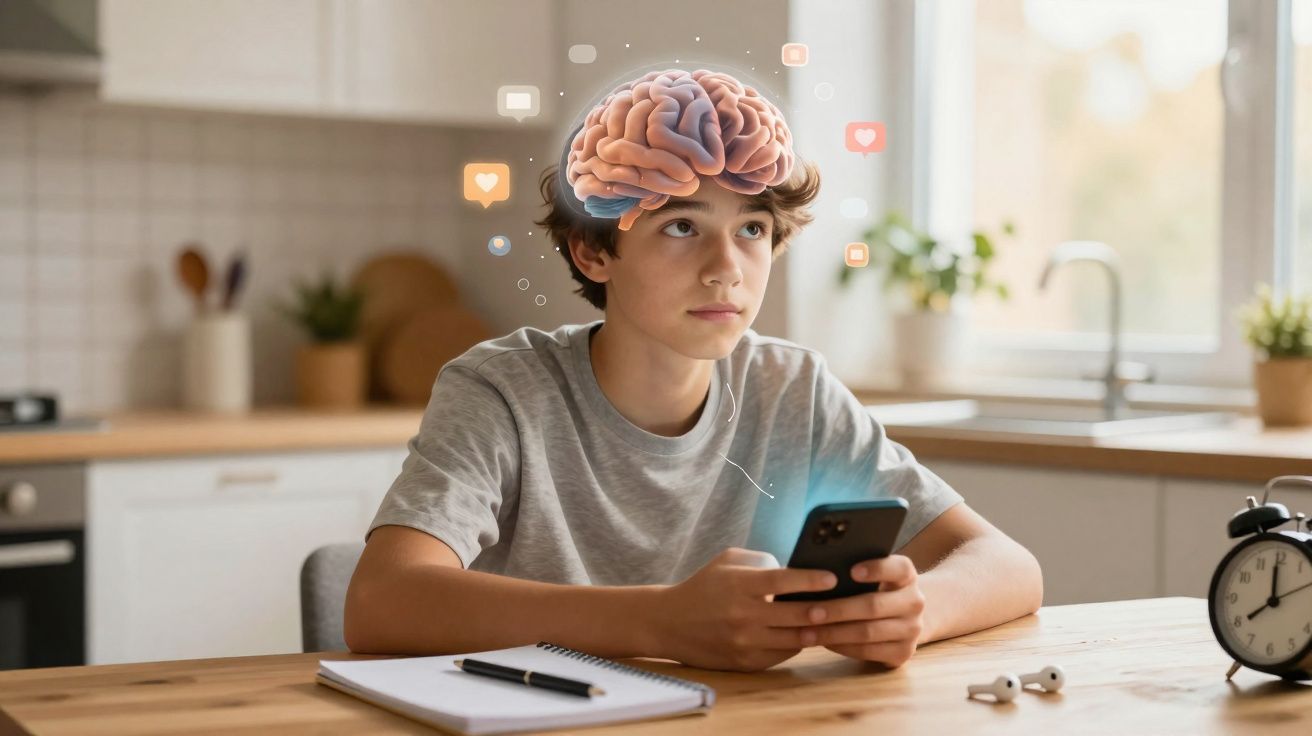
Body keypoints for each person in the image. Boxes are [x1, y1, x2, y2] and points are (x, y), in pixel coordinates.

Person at [345, 68, 1042, 672]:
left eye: (752, 230)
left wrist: (917, 612)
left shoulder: (791, 389)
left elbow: (1010, 567)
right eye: (682, 227)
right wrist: (660, 622)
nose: (725, 272)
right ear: (593, 253)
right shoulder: (503, 390)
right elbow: (381, 601)